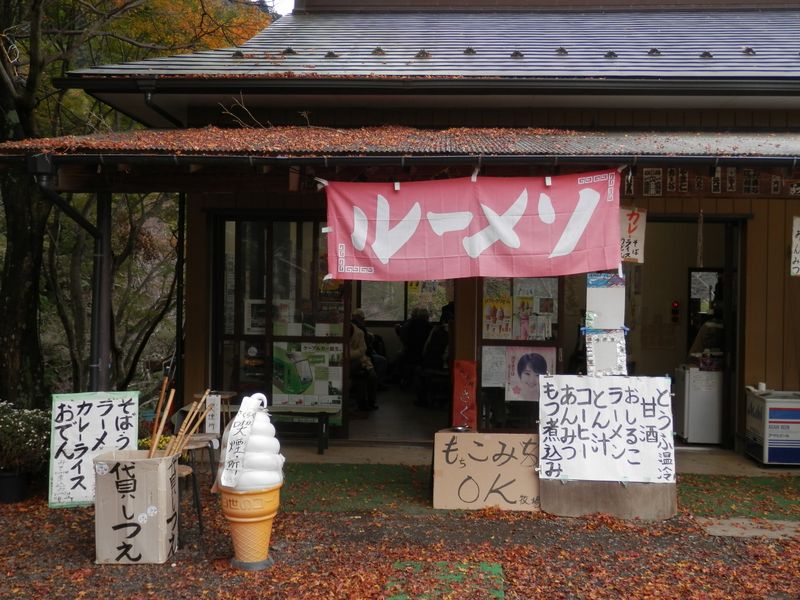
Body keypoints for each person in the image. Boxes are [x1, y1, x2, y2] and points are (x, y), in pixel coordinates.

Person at [349, 321, 378, 411]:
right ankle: (362, 402)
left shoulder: (359, 333)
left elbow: (362, 350)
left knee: (372, 376)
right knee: (360, 376)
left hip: (361, 361)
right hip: (345, 362)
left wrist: (347, 354)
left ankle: (370, 402)